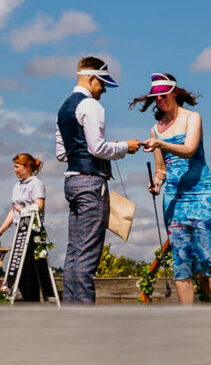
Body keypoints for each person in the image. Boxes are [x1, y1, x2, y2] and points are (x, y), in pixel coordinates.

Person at [134, 73, 211, 305]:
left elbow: (189, 149)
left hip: (202, 195)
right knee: (181, 261)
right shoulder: (155, 130)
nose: (159, 99)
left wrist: (159, 143)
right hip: (174, 199)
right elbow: (161, 169)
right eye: (155, 96)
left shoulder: (193, 118)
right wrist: (157, 183)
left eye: (163, 94)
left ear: (174, 92)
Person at [54, 56, 141, 304]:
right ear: (91, 78)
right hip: (91, 183)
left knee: (74, 252)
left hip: (71, 182)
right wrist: (125, 147)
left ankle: (70, 309)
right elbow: (97, 148)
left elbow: (62, 153)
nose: (103, 89)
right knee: (88, 255)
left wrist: (98, 147)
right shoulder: (92, 106)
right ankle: (84, 317)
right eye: (102, 83)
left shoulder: (63, 108)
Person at [0, 153, 56, 304]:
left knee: (30, 269)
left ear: (27, 167)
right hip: (20, 232)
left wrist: (23, 210)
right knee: (19, 268)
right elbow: (13, 210)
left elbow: (39, 205)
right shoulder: (17, 186)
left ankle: (33, 301)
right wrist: (1, 230)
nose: (14, 170)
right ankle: (27, 299)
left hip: (33, 232)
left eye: (17, 167)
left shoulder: (36, 183)